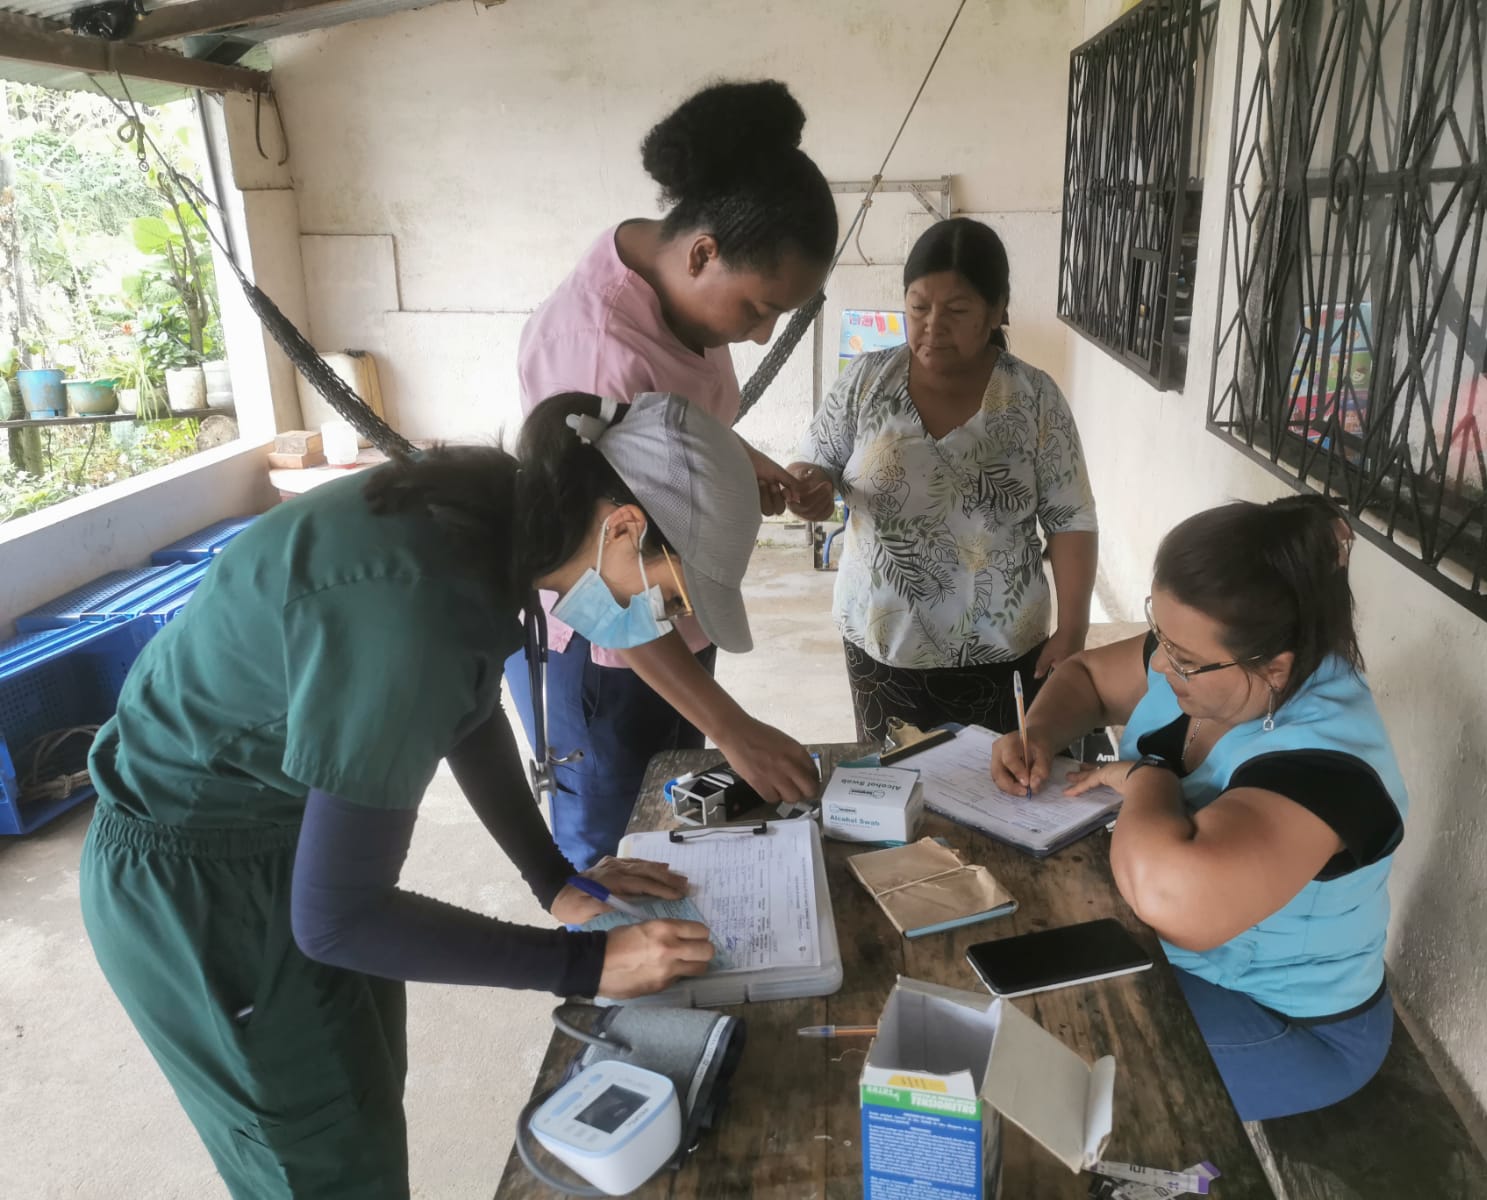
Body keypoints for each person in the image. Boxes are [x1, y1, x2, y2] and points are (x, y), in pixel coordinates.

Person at [79, 392, 760, 1199]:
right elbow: (339, 919)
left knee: (363, 1103)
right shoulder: (410, 599)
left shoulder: (492, 514)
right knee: (324, 1161)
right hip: (197, 879)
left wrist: (554, 880)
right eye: (673, 598)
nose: (665, 622)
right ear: (622, 529)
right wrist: (587, 964)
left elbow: (463, 706)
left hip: (284, 828)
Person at [990, 495, 1407, 1121]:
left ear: (1275, 668)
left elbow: (1172, 898)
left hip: (1286, 1023)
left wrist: (1146, 780)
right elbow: (1088, 678)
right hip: (1166, 954)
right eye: (1158, 634)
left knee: (1046, 1066)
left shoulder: (1326, 764)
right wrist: (1040, 734)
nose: (1160, 663)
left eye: (1181, 659)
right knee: (1005, 969)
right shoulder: (1204, 658)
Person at [511, 79, 838, 867]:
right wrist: (733, 726)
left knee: (675, 815)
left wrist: (741, 467)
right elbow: (604, 585)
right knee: (615, 849)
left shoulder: (683, 290)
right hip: (609, 646)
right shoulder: (596, 351)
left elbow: (672, 428)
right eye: (758, 310)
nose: (760, 337)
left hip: (677, 606)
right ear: (703, 253)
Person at [787, 217, 1098, 743]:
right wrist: (808, 488)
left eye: (956, 310)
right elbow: (814, 461)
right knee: (897, 780)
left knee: (1002, 783)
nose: (933, 325)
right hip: (882, 644)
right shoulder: (866, 381)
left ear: (996, 311)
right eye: (919, 307)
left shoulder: (1034, 398)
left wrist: (1073, 630)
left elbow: (1072, 519)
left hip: (1004, 650)